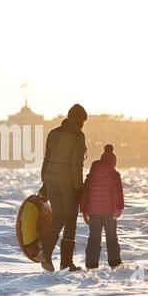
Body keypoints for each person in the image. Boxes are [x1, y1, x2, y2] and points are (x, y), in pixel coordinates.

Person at [38, 104, 87, 272]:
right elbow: (77, 166)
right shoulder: (78, 136)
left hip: (51, 182)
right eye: (83, 121)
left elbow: (46, 160)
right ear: (80, 120)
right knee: (71, 221)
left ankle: (45, 253)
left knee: (58, 218)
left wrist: (44, 183)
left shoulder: (53, 133)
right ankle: (66, 263)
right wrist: (79, 189)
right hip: (68, 185)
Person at [80, 144, 124, 269]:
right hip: (109, 212)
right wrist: (119, 208)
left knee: (94, 238)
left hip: (93, 212)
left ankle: (91, 264)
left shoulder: (91, 175)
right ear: (113, 162)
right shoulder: (114, 175)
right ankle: (115, 263)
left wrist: (84, 211)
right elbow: (118, 192)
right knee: (111, 238)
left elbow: (85, 193)